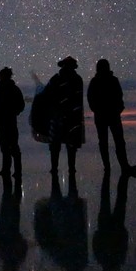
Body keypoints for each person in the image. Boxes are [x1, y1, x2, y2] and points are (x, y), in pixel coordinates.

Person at [87, 59, 136, 176]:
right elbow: (91, 98)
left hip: (110, 115)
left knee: (116, 141)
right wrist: (98, 109)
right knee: (109, 142)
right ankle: (111, 167)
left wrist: (118, 108)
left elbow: (119, 96)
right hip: (106, 116)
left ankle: (121, 166)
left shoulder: (107, 81)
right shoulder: (98, 81)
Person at [43, 56, 85, 195]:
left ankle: (63, 168)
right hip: (64, 116)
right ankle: (60, 168)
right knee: (61, 144)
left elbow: (47, 96)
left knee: (65, 144)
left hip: (65, 116)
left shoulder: (61, 79)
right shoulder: (65, 79)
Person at [0, 67, 25, 180]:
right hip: (4, 122)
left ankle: (13, 170)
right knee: (7, 146)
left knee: (10, 146)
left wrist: (12, 113)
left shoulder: (5, 90)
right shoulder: (7, 90)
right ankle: (9, 170)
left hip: (7, 121)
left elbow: (20, 105)